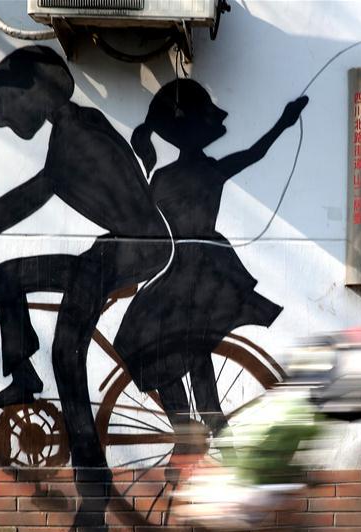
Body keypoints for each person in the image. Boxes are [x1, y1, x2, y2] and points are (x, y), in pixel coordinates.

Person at [0, 46, 171, 471]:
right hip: (116, 246)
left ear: (36, 90)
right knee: (7, 276)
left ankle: (93, 486)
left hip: (134, 248)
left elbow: (35, 192)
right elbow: (40, 189)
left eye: (3, 101)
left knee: (66, 352)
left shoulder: (75, 135)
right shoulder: (76, 125)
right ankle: (23, 377)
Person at [116, 79, 307, 458]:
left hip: (178, 270)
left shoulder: (163, 179)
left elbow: (147, 231)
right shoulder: (211, 171)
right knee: (193, 344)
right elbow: (255, 153)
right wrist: (283, 123)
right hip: (205, 269)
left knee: (151, 343)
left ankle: (187, 427)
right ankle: (211, 422)